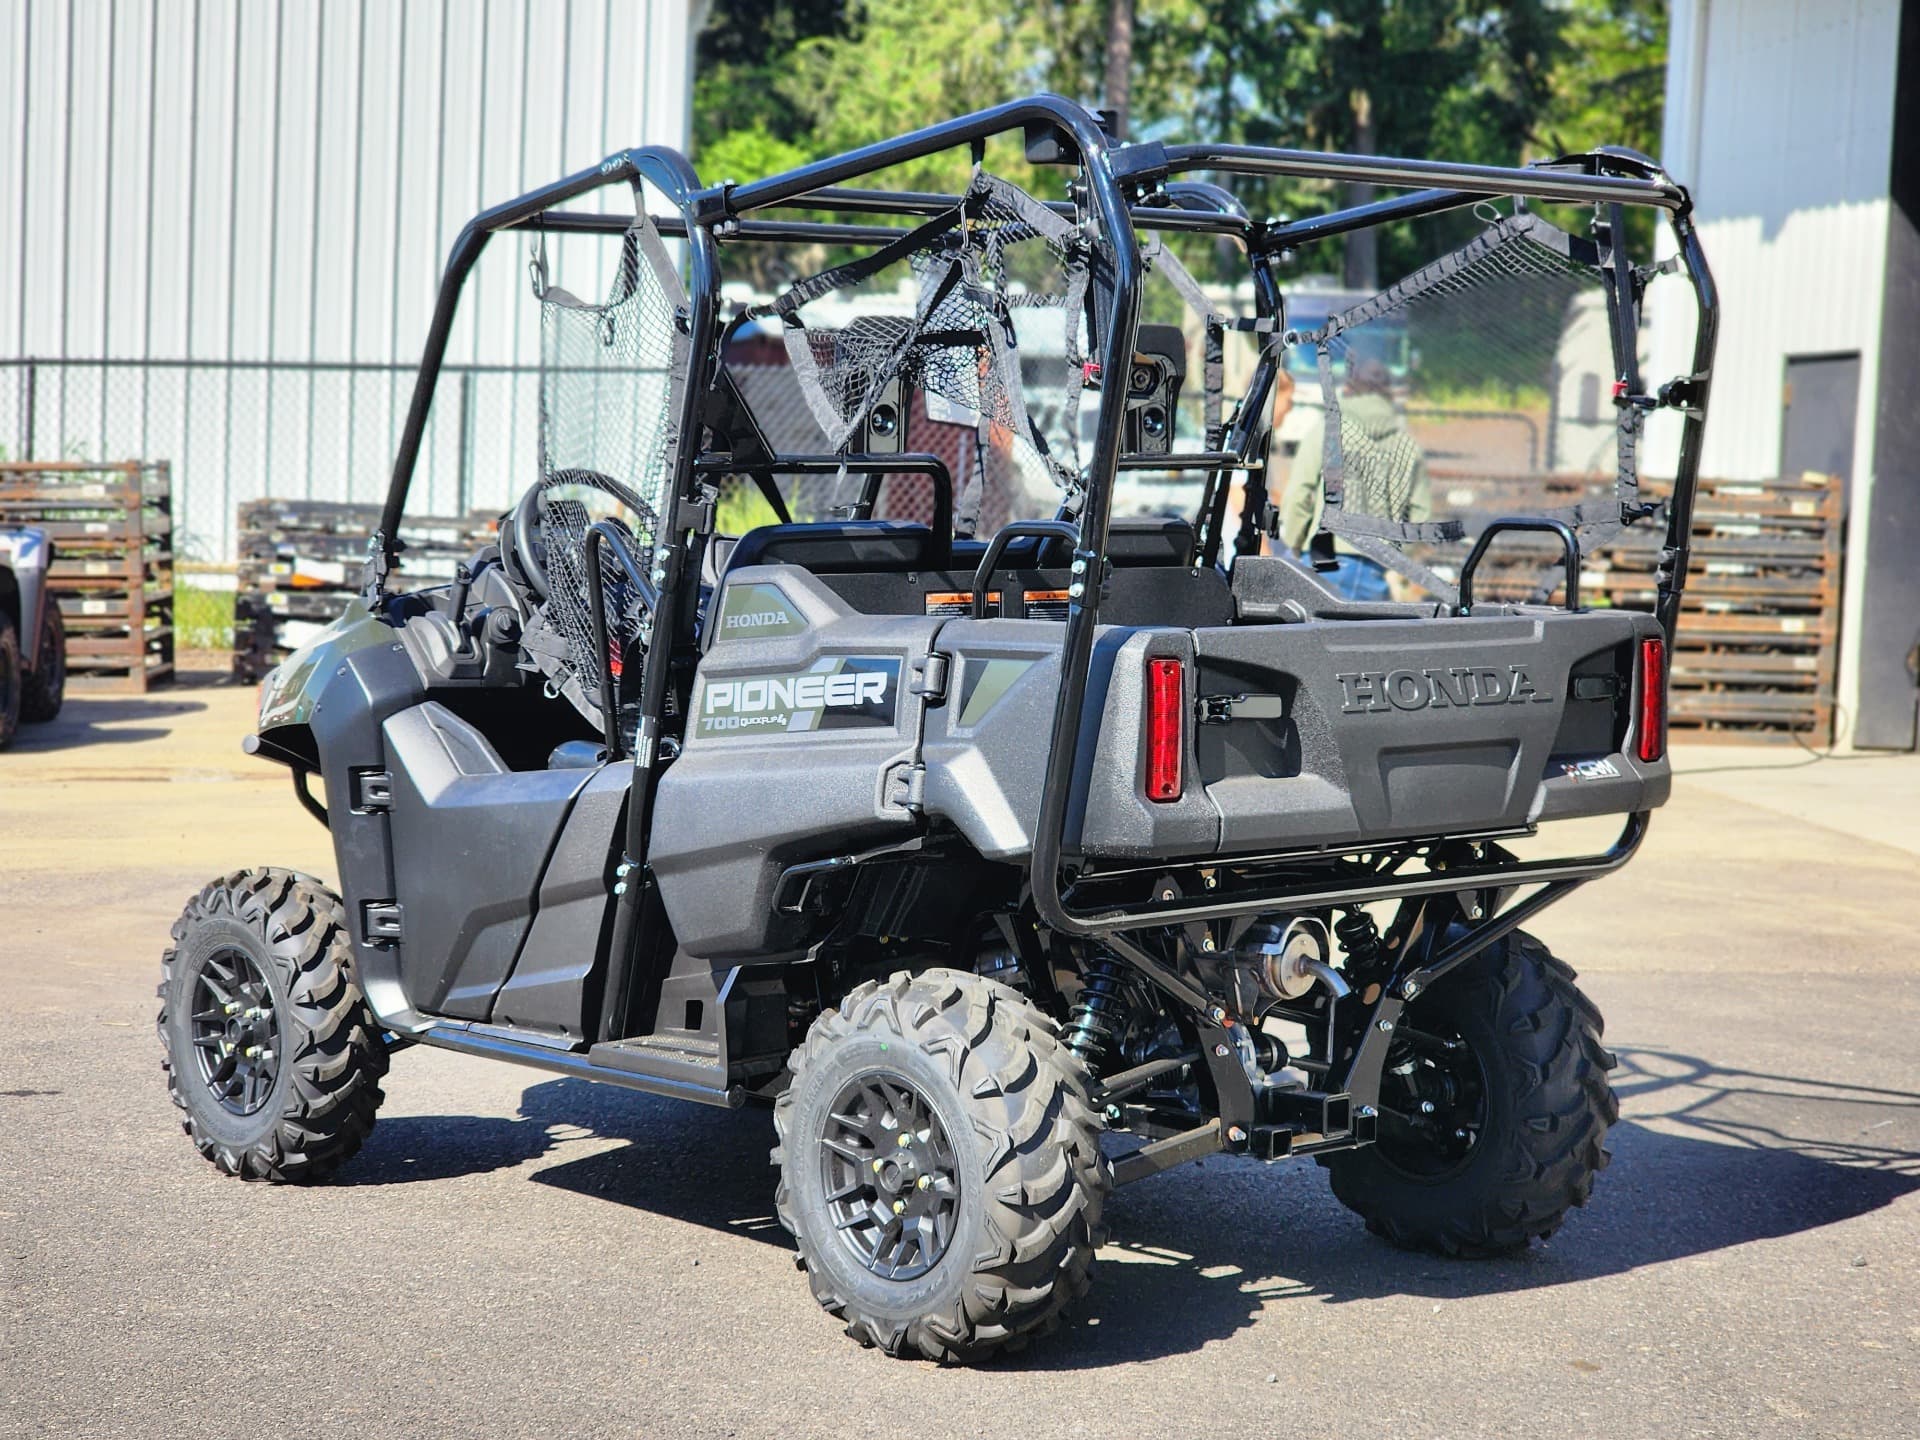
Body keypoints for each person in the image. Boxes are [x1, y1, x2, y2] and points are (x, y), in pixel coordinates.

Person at [1278, 357, 1429, 601]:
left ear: (1347, 389)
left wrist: (1294, 545)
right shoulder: (1407, 446)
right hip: (1375, 570)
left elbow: (1299, 494)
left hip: (1319, 563)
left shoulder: (1324, 432)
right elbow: (1420, 518)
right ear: (1388, 394)